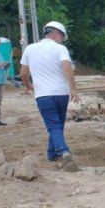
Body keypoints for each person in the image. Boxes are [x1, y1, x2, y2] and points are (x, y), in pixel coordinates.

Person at [19, 21, 80, 161]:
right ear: (56, 34)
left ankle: (63, 151)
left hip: (43, 95)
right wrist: (73, 89)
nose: (62, 41)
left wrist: (29, 85)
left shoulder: (29, 48)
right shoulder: (60, 49)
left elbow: (23, 73)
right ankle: (52, 154)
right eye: (62, 38)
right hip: (61, 93)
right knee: (57, 124)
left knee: (53, 125)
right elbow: (67, 67)